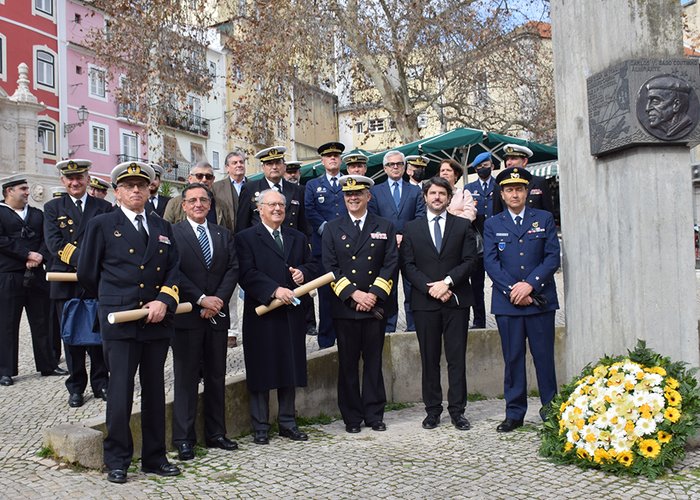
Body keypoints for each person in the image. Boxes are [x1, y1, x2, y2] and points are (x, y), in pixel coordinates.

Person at [78, 161, 182, 483]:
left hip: (156, 321)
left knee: (154, 391)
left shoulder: (162, 226)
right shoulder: (102, 224)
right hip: (120, 322)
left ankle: (154, 457)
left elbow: (174, 268)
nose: (136, 190)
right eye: (129, 185)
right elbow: (87, 273)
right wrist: (117, 300)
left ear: (150, 188)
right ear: (117, 191)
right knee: (120, 393)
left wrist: (164, 300)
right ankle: (118, 459)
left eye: (141, 184)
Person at [235, 189, 318, 445]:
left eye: (281, 205)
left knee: (289, 366)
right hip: (262, 313)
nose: (277, 209)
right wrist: (273, 290)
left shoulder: (298, 237)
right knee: (261, 368)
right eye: (271, 205)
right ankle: (260, 426)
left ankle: (287, 422)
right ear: (260, 209)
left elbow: (313, 265)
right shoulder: (245, 238)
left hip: (291, 313)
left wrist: (303, 273)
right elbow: (245, 273)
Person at [483, 166, 560, 433]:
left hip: (540, 301)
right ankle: (514, 412)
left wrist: (529, 286)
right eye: (509, 190)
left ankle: (550, 410)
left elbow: (552, 257)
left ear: (527, 192)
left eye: (519, 189)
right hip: (508, 304)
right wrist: (513, 290)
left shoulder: (545, 218)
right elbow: (490, 262)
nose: (514, 194)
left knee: (544, 359)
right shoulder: (493, 223)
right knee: (513, 358)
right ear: (502, 195)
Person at [323, 175, 398, 433]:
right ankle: (352, 417)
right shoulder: (332, 228)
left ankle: (374, 414)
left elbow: (390, 264)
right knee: (348, 364)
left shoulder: (385, 226)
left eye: (358, 194)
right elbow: (330, 268)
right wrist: (355, 295)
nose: (352, 198)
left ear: (369, 196)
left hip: (374, 307)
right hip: (346, 307)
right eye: (348, 195)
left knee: (374, 362)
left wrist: (373, 295)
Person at [401, 176, 477, 430]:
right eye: (432, 193)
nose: (437, 197)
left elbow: (469, 261)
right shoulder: (412, 228)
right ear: (425, 197)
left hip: (455, 300)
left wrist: (447, 282)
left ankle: (457, 411)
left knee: (456, 359)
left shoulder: (462, 226)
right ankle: (432, 410)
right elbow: (408, 265)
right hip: (425, 302)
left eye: (442, 194)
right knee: (429, 358)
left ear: (449, 197)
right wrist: (430, 288)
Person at [171, 183, 239, 460]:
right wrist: (201, 299)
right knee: (186, 378)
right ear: (184, 206)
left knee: (215, 376)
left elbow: (233, 268)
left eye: (203, 200)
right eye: (192, 200)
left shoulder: (223, 234)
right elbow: (173, 271)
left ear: (210, 205)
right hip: (188, 316)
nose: (198, 204)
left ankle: (216, 433)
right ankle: (184, 438)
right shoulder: (173, 234)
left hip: (216, 316)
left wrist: (218, 300)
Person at [44, 159, 112, 408]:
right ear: (63, 181)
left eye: (79, 177)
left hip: (95, 283)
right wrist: (87, 261)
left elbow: (109, 240)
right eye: (70, 178)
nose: (75, 182)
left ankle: (101, 382)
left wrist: (92, 264)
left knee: (98, 335)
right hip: (66, 282)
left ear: (87, 178)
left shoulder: (103, 207)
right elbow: (54, 244)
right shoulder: (53, 207)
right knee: (71, 337)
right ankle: (75, 387)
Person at [0, 175, 66, 386]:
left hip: (36, 274)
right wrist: (26, 254)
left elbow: (48, 239)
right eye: (23, 188)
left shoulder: (38, 214)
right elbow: (2, 241)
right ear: (9, 191)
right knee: (7, 323)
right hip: (9, 275)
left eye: (27, 188)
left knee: (42, 321)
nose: (28, 192)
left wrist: (39, 256)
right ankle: (5, 370)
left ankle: (48, 364)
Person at [368, 150, 425, 332]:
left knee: (412, 288)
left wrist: (404, 236)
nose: (395, 167)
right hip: (386, 247)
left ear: (405, 167)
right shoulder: (375, 191)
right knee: (388, 288)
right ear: (385, 168)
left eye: (399, 164)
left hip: (410, 247)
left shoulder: (415, 191)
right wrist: (393, 237)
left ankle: (413, 326)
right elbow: (374, 219)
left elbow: (420, 216)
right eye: (391, 164)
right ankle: (389, 327)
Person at [304, 141, 347, 349]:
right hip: (324, 248)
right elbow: (309, 210)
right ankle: (326, 341)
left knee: (348, 290)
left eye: (336, 156)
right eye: (328, 156)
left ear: (340, 160)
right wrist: (327, 230)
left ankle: (347, 336)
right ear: (322, 161)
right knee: (326, 296)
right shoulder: (313, 185)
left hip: (349, 248)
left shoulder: (348, 182)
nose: (332, 159)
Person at [212, 151, 247, 341]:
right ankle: (232, 331)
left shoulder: (253, 185)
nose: (239, 165)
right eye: (234, 162)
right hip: (227, 243)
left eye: (241, 162)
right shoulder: (217, 188)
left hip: (249, 243)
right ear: (227, 167)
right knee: (230, 289)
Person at [236, 146, 308, 235]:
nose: (274, 167)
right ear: (263, 167)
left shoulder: (298, 190)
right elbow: (242, 224)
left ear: (284, 166)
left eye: (278, 163)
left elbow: (303, 224)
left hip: (290, 243)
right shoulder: (250, 189)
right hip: (259, 243)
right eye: (269, 163)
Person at [465, 152, 498, 329]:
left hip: (498, 241)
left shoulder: (499, 186)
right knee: (476, 285)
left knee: (500, 281)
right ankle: (479, 320)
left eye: (485, 165)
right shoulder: (469, 188)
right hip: (478, 244)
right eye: (478, 167)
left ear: (492, 166)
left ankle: (503, 315)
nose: (482, 169)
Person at [163, 161, 234, 231]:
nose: (204, 180)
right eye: (199, 176)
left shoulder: (221, 205)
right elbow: (165, 231)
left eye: (208, 176)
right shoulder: (174, 204)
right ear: (190, 178)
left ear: (213, 180)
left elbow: (228, 234)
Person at [492, 144, 553, 215]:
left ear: (524, 161)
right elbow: (497, 214)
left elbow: (548, 212)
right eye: (507, 159)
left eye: (513, 158)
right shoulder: (499, 185)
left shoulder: (539, 182)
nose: (508, 163)